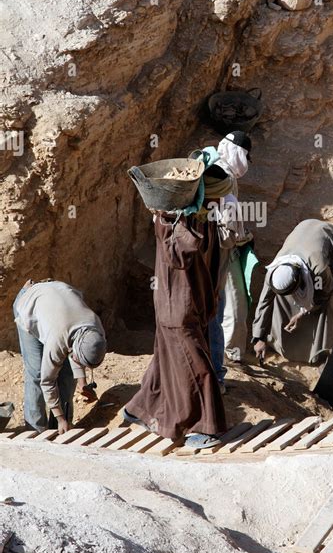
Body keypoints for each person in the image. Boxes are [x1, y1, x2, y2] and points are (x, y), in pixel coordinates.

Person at [124, 155, 228, 449]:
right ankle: (204, 427)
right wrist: (176, 221)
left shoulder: (202, 220)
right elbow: (179, 257)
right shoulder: (175, 223)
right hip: (178, 310)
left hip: (185, 306)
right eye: (217, 199)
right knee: (198, 368)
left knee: (167, 362)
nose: (220, 205)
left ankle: (141, 410)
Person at [13, 280, 106, 434]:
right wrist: (61, 418)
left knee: (68, 375)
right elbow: (47, 381)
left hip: (56, 301)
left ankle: (60, 429)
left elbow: (78, 352)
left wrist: (82, 382)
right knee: (37, 373)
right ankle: (35, 432)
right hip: (30, 304)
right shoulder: (59, 337)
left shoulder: (96, 329)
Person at [252, 219, 333, 364]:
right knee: (280, 299)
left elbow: (324, 294)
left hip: (330, 237)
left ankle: (323, 349)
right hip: (303, 228)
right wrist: (258, 338)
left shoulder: (320, 269)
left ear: (299, 279)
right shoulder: (273, 273)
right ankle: (280, 343)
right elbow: (264, 302)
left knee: (326, 301)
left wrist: (303, 312)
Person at [207, 131, 254, 391]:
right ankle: (222, 364)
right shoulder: (221, 175)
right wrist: (238, 237)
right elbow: (225, 222)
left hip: (215, 250)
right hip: (219, 253)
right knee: (229, 306)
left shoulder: (218, 169)